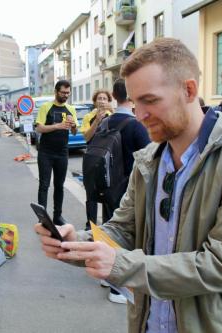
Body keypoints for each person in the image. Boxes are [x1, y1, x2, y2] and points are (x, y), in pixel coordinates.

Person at [35, 38, 222, 332]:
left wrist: (122, 265)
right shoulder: (149, 159)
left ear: (189, 90)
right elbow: (123, 228)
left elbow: (221, 264)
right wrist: (77, 243)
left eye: (150, 100)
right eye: (135, 103)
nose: (140, 115)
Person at [92, 79, 150, 304]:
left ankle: (106, 276)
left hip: (107, 185)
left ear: (114, 96)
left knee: (108, 229)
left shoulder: (106, 122)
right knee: (127, 235)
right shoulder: (135, 125)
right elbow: (149, 158)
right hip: (128, 187)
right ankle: (118, 289)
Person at [35, 80, 78, 226]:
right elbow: (39, 128)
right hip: (46, 152)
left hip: (62, 152)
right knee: (44, 185)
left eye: (68, 93)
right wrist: (58, 126)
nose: (66, 95)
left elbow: (74, 131)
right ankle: (42, 218)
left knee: (59, 185)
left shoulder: (71, 109)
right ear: (56, 91)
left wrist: (73, 126)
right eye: (63, 92)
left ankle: (57, 216)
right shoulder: (46, 107)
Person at [80, 90, 113, 230]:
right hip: (92, 157)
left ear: (108, 101)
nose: (102, 101)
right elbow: (87, 137)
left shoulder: (113, 116)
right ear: (94, 101)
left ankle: (108, 224)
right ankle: (91, 224)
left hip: (108, 158)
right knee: (91, 191)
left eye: (105, 98)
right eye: (99, 98)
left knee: (108, 191)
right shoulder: (88, 117)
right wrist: (97, 120)